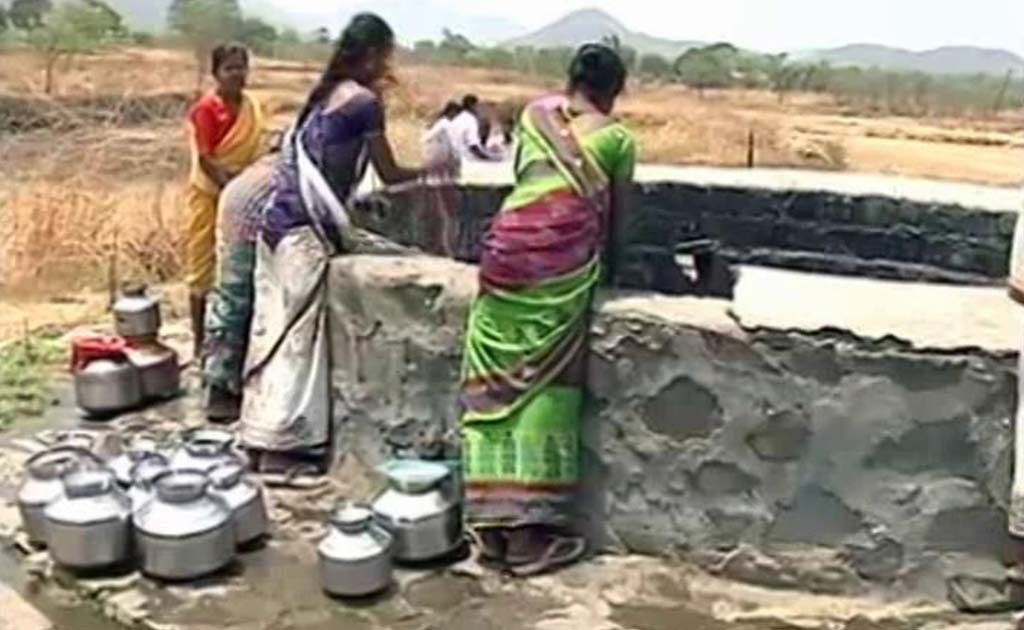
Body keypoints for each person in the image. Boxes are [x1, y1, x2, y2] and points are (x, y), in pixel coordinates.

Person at [239, 14, 450, 473]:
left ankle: (257, 439)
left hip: (278, 225)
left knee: (271, 331)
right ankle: (283, 450)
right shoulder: (363, 103)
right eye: (387, 56)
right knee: (298, 343)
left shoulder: (323, 98)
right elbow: (390, 173)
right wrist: (431, 171)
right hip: (305, 235)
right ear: (374, 54)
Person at [459, 43, 636, 577]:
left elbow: (526, 182)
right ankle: (531, 535)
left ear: (570, 80)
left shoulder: (537, 117)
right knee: (547, 385)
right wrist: (611, 274)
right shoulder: (617, 139)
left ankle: (490, 530)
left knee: (493, 380)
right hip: (557, 272)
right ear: (615, 89)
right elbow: (616, 222)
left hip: (504, 254)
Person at [185, 44, 264, 360]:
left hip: (245, 196)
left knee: (245, 263)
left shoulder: (252, 107)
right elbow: (206, 158)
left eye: (242, 67)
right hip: (210, 195)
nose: (238, 74)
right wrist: (233, 190)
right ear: (215, 73)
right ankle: (199, 342)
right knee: (201, 268)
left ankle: (241, 339)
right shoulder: (206, 110)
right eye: (230, 68)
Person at [202, 143, 282, 423]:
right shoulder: (293, 170)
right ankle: (221, 392)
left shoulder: (270, 164)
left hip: (232, 209)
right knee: (237, 308)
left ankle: (221, 382)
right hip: (245, 227)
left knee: (228, 303)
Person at [449, 94, 492, 161]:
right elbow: (473, 147)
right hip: (465, 158)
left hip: (453, 155)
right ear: (472, 106)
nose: (478, 108)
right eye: (477, 106)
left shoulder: (457, 118)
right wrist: (490, 158)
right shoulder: (470, 120)